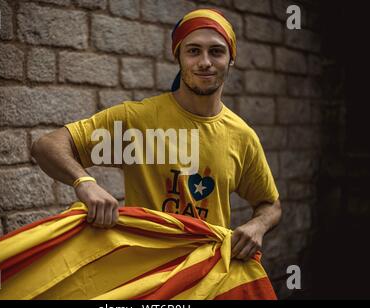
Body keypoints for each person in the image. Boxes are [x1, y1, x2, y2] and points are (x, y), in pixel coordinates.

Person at [31, 8, 282, 262]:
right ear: (179, 57)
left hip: (207, 277)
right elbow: (47, 146)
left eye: (216, 51)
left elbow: (270, 205)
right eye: (193, 51)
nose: (205, 62)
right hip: (144, 275)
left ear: (230, 59)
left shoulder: (241, 136)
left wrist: (257, 226)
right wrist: (84, 182)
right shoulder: (136, 121)